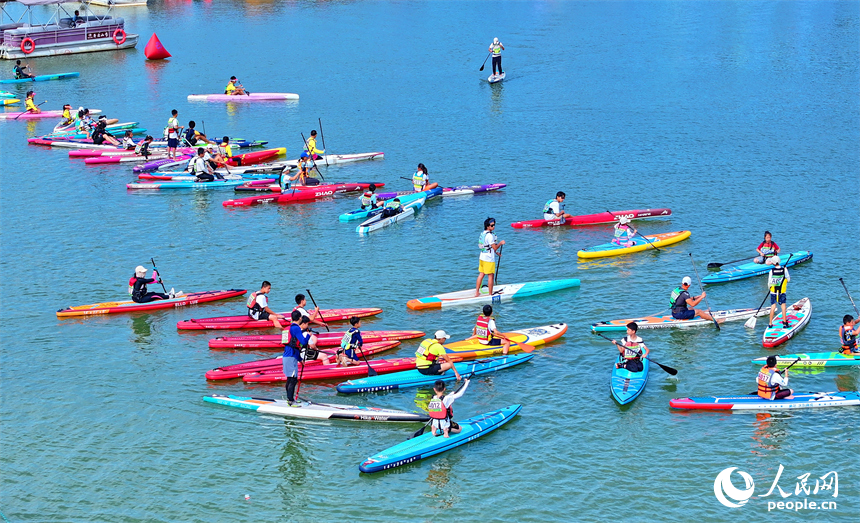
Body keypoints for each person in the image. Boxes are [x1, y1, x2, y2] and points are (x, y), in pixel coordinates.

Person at [281, 311, 310, 406]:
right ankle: (290, 401)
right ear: (300, 318)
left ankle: (290, 398)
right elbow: (303, 342)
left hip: (287, 355)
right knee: (292, 379)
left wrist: (300, 360)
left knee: (290, 379)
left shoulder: (288, 328)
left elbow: (293, 345)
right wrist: (308, 335)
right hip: (291, 356)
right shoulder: (296, 328)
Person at [475, 217, 505, 296]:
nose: (493, 227)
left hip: (482, 257)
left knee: (481, 274)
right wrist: (500, 243)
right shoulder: (490, 236)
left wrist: (496, 252)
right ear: (487, 226)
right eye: (492, 225)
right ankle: (490, 294)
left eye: (494, 225)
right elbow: (494, 247)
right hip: (488, 259)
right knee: (491, 276)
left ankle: (477, 292)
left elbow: (488, 247)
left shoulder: (483, 234)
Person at [767, 256, 791, 328]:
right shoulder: (785, 269)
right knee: (783, 306)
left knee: (773, 306)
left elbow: (769, 283)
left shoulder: (771, 271)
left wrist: (770, 288)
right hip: (782, 291)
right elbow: (788, 279)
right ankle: (784, 323)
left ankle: (770, 323)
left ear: (773, 263)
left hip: (773, 292)